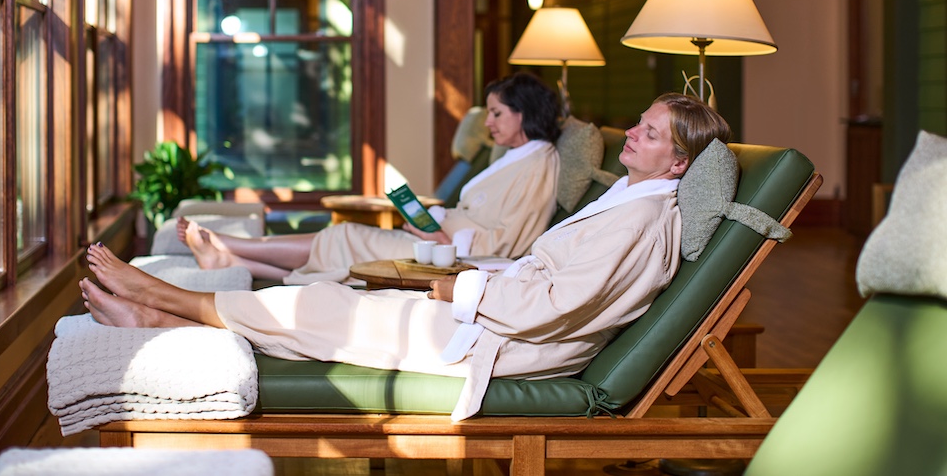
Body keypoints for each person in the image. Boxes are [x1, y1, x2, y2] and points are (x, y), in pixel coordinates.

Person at [79, 93, 731, 421]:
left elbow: (556, 302)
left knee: (330, 304)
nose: (634, 135)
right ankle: (166, 320)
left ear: (679, 160)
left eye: (650, 133)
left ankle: (166, 298)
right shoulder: (629, 197)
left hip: (514, 340)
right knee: (347, 299)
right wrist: (470, 276)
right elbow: (545, 273)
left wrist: (460, 287)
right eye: (639, 124)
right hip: (497, 308)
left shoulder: (645, 219)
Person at [178, 72, 562, 284]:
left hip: (451, 258)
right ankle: (228, 259)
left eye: (496, 114)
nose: (489, 124)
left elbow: (511, 241)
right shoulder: (513, 156)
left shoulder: (539, 163)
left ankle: (231, 246)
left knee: (343, 236)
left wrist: (442, 236)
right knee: (342, 240)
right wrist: (432, 222)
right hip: (436, 244)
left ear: (523, 113)